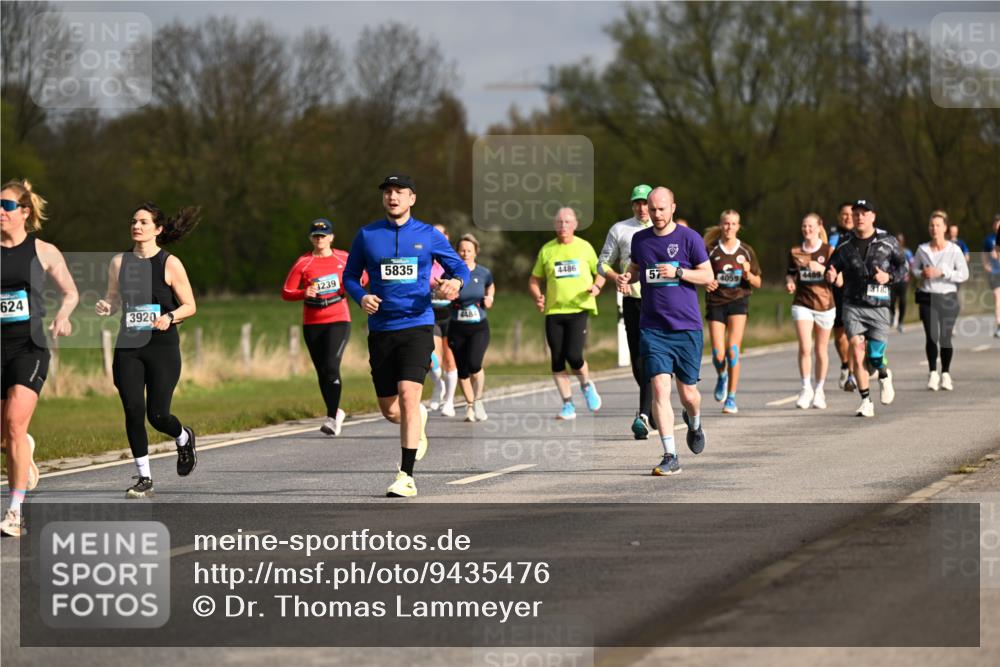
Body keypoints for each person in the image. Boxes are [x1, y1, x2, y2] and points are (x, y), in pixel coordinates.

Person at [343, 174, 469, 498]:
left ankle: (406, 475)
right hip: (381, 329)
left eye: (399, 192)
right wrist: (361, 297)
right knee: (390, 409)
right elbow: (350, 276)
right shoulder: (367, 235)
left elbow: (460, 269)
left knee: (409, 394)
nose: (392, 196)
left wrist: (455, 284)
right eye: (387, 191)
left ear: (412, 198)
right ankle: (420, 418)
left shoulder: (427, 235)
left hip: (417, 325)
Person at [96, 202, 199, 498]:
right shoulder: (119, 262)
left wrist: (170, 316)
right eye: (133, 221)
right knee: (132, 409)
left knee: (157, 415)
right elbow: (113, 299)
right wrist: (106, 305)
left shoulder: (170, 263)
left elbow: (190, 305)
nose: (136, 226)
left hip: (162, 347)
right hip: (129, 345)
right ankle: (144, 478)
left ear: (158, 229)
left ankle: (182, 437)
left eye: (143, 222)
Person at [1, 179, 79, 537]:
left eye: (8, 206)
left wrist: (63, 316)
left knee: (15, 425)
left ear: (25, 212)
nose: (1, 212)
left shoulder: (44, 251)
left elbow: (70, 293)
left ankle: (15, 511)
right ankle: (24, 451)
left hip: (29, 347)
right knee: (6, 438)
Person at [618, 187, 711, 476]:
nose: (656, 214)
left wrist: (680, 273)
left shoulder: (689, 238)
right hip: (653, 327)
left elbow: (707, 275)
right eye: (652, 209)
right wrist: (627, 276)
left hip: (685, 327)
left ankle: (694, 423)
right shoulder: (640, 239)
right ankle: (670, 454)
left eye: (661, 209)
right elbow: (636, 266)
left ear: (672, 208)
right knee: (659, 388)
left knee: (689, 395)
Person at [826, 199, 908, 417]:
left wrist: (888, 277)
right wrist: (831, 275)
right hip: (852, 304)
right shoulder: (844, 244)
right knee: (856, 347)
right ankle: (865, 401)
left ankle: (883, 373)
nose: (859, 217)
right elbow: (832, 266)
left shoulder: (887, 241)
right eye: (856, 214)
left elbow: (904, 267)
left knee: (874, 356)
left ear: (873, 216)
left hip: (879, 306)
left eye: (864, 213)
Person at [282, 218, 359, 436]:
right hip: (313, 321)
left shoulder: (343, 258)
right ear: (310, 239)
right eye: (316, 236)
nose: (320, 239)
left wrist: (350, 285)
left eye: (323, 235)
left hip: (338, 317)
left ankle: (332, 418)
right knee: (322, 371)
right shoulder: (303, 263)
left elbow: (363, 277)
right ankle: (335, 413)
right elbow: (286, 291)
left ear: (331, 238)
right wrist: (302, 293)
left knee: (332, 366)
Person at [529, 207, 604, 420]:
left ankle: (587, 385)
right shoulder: (547, 250)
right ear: (555, 225)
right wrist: (538, 296)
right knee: (557, 360)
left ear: (575, 225)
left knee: (574, 355)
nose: (563, 226)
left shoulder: (584, 247)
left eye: (567, 222)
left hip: (579, 308)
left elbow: (601, 272)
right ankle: (568, 405)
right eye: (560, 222)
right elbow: (534, 279)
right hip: (554, 310)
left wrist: (596, 287)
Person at [598, 184, 655, 438]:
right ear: (632, 205)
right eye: (638, 203)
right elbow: (602, 264)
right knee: (637, 361)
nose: (642, 208)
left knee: (652, 356)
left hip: (659, 302)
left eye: (646, 203)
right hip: (632, 301)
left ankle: (643, 413)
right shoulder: (620, 229)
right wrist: (616, 277)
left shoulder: (661, 229)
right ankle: (652, 406)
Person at [703, 210, 762, 414]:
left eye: (733, 224)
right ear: (721, 225)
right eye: (726, 224)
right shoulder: (710, 250)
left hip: (738, 301)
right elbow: (701, 274)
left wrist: (747, 273)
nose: (729, 227)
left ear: (739, 227)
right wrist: (707, 282)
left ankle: (731, 398)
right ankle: (721, 375)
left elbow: (758, 282)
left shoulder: (746, 251)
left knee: (733, 351)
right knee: (719, 354)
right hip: (716, 303)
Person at [911, 211, 969, 390]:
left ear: (945, 228)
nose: (934, 229)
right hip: (928, 297)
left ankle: (945, 373)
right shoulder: (922, 249)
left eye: (938, 225)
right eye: (931, 225)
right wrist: (922, 273)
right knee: (931, 336)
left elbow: (964, 274)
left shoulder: (954, 250)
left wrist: (943, 272)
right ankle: (932, 373)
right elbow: (913, 269)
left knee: (945, 337)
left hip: (948, 297)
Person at [785, 213, 835, 410]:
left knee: (820, 350)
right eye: (804, 226)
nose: (807, 230)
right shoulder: (795, 251)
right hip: (802, 303)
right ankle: (806, 388)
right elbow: (790, 275)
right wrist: (789, 283)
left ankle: (820, 390)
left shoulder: (828, 250)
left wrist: (821, 268)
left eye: (811, 226)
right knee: (805, 347)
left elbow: (836, 277)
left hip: (825, 304)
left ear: (819, 227)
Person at [447, 234, 494, 422]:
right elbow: (441, 288)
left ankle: (479, 399)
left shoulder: (483, 272)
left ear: (475, 252)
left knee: (475, 364)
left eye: (469, 250)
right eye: (462, 250)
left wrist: (490, 297)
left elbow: (490, 286)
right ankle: (470, 405)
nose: (465, 253)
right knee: (463, 370)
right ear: (457, 252)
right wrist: (445, 294)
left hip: (478, 326)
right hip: (457, 326)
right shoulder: (450, 273)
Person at [429, 223, 459, 415]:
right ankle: (438, 386)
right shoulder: (424, 260)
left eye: (441, 235)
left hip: (450, 314)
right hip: (430, 314)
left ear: (447, 238)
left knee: (450, 359)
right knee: (432, 359)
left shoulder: (451, 261)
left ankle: (449, 401)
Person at [829, 201, 856, 391]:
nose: (847, 217)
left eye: (850, 214)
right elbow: (828, 253)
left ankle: (854, 374)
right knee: (839, 336)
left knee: (855, 335)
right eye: (844, 214)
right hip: (837, 292)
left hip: (857, 292)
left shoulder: (862, 235)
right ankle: (846, 364)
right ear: (839, 217)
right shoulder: (834, 236)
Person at [890, 233, 914, 333]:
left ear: (903, 241)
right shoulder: (890, 251)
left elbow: (912, 264)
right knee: (891, 300)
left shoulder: (907, 252)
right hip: (892, 280)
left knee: (902, 301)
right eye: (897, 240)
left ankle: (900, 322)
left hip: (903, 280)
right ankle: (892, 315)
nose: (899, 242)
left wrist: (910, 275)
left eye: (900, 240)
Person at [983, 214, 1000, 338]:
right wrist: (986, 265)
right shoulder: (989, 239)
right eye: (996, 223)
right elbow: (984, 254)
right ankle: (999, 326)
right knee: (997, 297)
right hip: (994, 272)